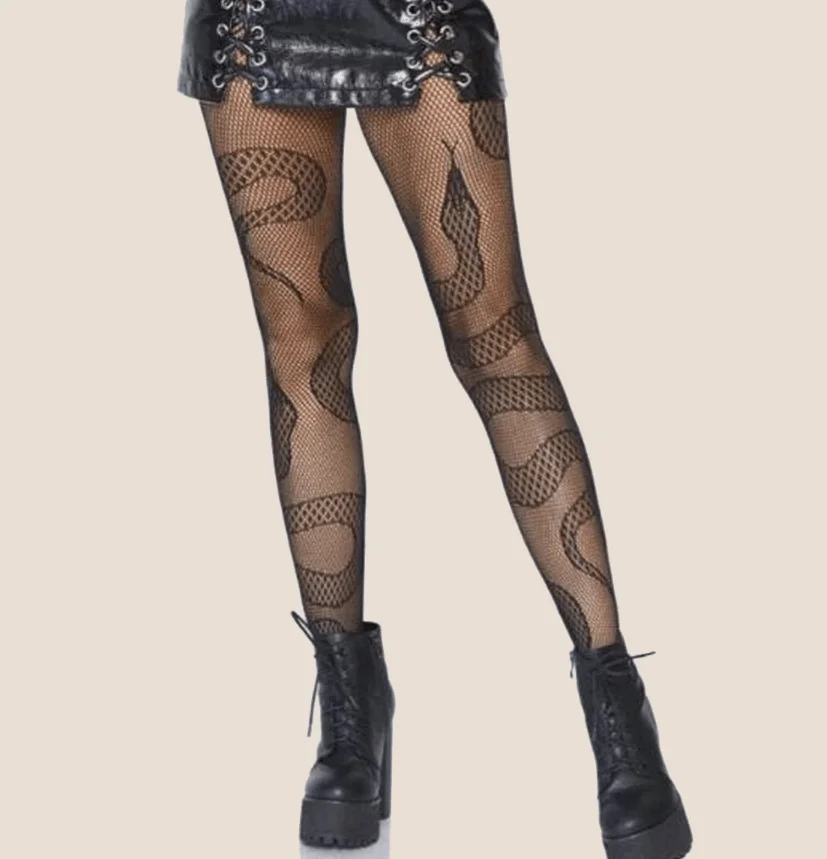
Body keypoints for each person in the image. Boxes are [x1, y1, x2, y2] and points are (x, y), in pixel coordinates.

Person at [176, 1, 693, 856]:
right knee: (302, 342)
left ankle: (616, 705)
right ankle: (350, 711)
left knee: (493, 334)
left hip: (418, 15)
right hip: (254, 17)